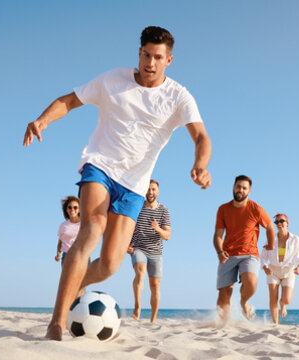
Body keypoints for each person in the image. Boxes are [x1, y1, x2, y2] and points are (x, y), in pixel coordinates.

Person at [23, 26, 212, 340]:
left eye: (158, 57)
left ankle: (78, 280)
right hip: (100, 166)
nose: (150, 63)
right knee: (92, 228)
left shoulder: (179, 96)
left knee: (110, 264)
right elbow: (69, 101)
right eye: (146, 55)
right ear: (139, 53)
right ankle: (57, 322)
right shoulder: (113, 80)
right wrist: (42, 119)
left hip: (134, 185)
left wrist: (200, 165)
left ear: (169, 60)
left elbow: (201, 136)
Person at [214, 175, 275, 324]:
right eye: (238, 187)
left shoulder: (256, 209)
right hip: (228, 254)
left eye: (244, 188)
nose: (240, 190)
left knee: (251, 283)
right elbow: (217, 236)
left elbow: (269, 227)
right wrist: (220, 252)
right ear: (233, 187)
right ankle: (223, 325)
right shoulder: (223, 209)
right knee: (224, 293)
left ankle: (244, 302)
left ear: (249, 191)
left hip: (249, 253)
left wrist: (271, 245)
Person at [126, 179, 170, 323]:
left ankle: (153, 318)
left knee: (155, 285)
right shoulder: (137, 207)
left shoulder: (163, 210)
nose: (150, 192)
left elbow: (167, 235)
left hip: (156, 252)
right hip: (139, 248)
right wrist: (127, 245)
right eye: (148, 189)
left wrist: (157, 229)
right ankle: (137, 307)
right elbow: (128, 227)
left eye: (153, 189)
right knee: (140, 272)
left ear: (158, 192)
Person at [260, 213, 299, 325]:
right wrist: (265, 267)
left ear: (287, 223)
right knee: (273, 299)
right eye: (276, 222)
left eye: (282, 221)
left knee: (287, 299)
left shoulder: (295, 239)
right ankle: (275, 324)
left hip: (288, 271)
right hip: (273, 271)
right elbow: (263, 256)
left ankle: (283, 304)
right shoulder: (271, 239)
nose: (279, 223)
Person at [55, 196, 81, 265]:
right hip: (67, 256)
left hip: (82, 255)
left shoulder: (84, 224)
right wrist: (58, 254)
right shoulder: (63, 225)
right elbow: (60, 242)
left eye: (75, 207)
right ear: (66, 210)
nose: (72, 209)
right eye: (70, 207)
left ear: (79, 210)